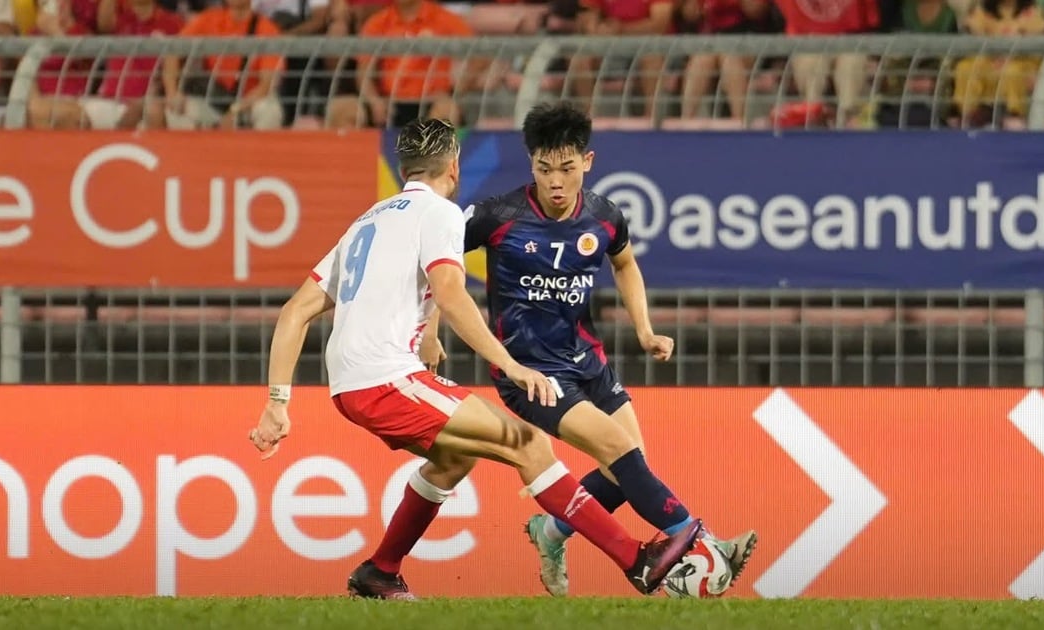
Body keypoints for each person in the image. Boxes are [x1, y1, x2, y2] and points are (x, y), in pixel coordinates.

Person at [248, 117, 701, 600]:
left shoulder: (368, 220)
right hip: (386, 378)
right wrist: (512, 364)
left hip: (350, 383)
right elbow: (450, 292)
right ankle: (636, 561)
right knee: (529, 444)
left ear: (404, 166)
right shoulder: (439, 213)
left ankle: (381, 571)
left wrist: (278, 401)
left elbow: (295, 311)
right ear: (455, 166)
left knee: (452, 460)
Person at [427, 102, 756, 597]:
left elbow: (625, 265)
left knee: (628, 467)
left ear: (588, 161)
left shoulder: (604, 217)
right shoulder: (498, 215)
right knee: (622, 454)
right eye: (543, 169)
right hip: (530, 374)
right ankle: (700, 542)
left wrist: (644, 330)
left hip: (589, 364)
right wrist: (431, 329)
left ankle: (552, 531)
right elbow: (441, 266)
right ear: (531, 164)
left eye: (566, 168)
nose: (555, 181)